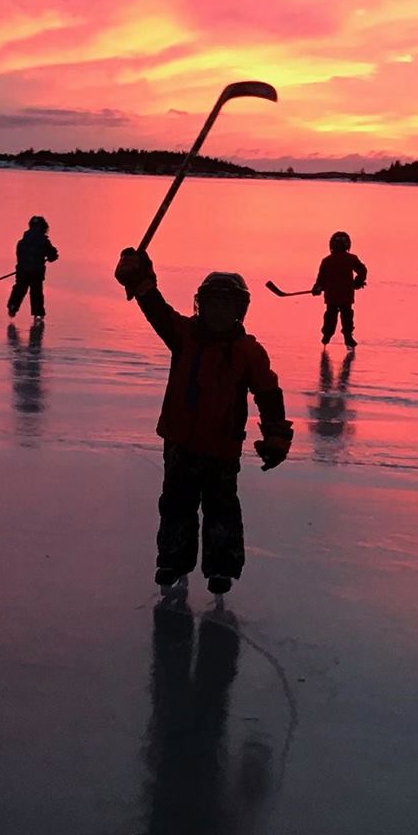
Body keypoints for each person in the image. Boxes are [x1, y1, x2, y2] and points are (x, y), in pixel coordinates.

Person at [114, 248, 293, 595]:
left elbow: (269, 394)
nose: (219, 313)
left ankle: (221, 568)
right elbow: (156, 309)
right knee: (176, 505)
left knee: (221, 509)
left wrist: (276, 435)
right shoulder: (184, 335)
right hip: (180, 442)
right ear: (202, 305)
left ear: (239, 311)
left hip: (222, 448)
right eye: (213, 305)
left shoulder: (248, 352)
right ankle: (172, 561)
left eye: (226, 307)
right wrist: (139, 277)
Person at [312, 231, 367, 347]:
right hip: (344, 295)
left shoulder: (327, 260)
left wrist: (318, 287)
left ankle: (328, 334)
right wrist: (359, 281)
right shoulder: (350, 258)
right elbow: (362, 270)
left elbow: (321, 278)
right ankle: (347, 336)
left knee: (331, 315)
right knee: (346, 315)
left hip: (334, 295)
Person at [7, 216, 59, 321]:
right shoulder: (43, 241)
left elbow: (19, 256)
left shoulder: (22, 242)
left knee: (19, 289)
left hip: (23, 271)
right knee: (36, 293)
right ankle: (38, 314)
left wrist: (22, 267)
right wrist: (51, 257)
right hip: (36, 272)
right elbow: (53, 255)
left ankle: (13, 306)